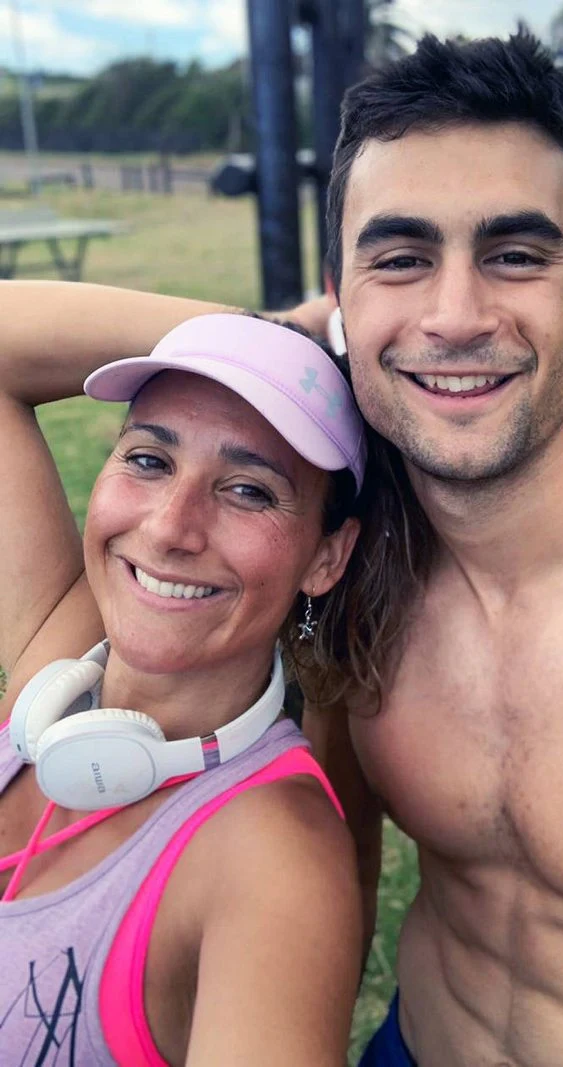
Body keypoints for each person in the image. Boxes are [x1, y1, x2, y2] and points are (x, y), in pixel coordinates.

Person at [2, 29, 563, 1067]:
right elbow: (344, 845)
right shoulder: (346, 574)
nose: (454, 315)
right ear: (343, 292)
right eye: (401, 259)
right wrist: (269, 342)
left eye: (515, 255)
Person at [0, 312, 373, 1065]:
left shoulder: (272, 865)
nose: (171, 528)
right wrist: (260, 337)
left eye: (249, 490)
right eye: (148, 459)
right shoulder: (55, 669)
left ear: (326, 557)